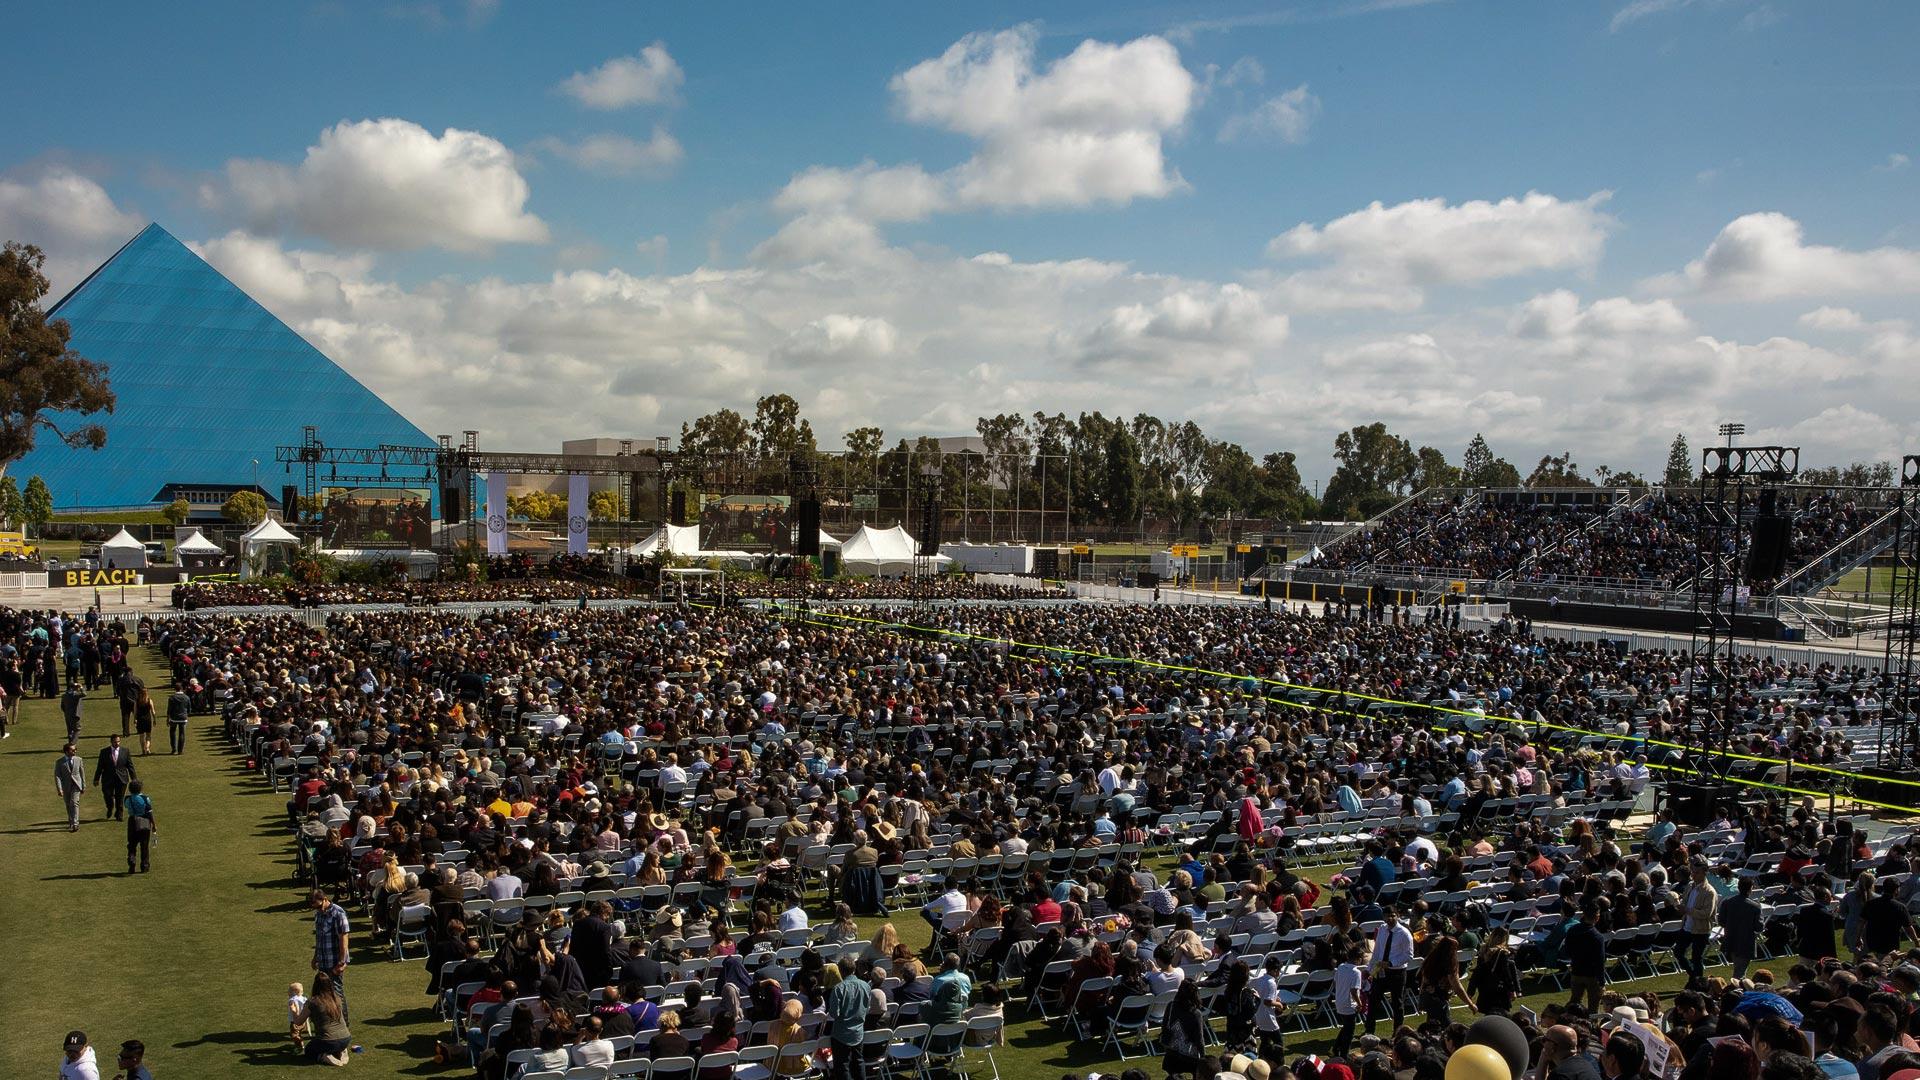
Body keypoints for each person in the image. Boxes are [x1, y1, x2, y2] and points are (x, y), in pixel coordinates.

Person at [1367, 905, 1414, 1034]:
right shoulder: (1382, 929)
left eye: (1393, 915)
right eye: (1388, 916)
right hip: (1381, 970)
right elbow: (1377, 951)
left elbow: (1409, 955)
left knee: (1397, 1004)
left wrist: (1391, 963)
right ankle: (1369, 1032)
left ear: (1397, 915)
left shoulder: (1404, 933)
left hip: (1397, 972)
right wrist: (1370, 969)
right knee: (1373, 1002)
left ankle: (1397, 1033)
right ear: (1384, 917)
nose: (1390, 918)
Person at [827, 958, 871, 1080]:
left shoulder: (839, 988)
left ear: (840, 971)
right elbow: (867, 1008)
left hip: (841, 1034)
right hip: (858, 1032)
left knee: (842, 1065)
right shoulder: (865, 986)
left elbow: (834, 1013)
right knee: (859, 1061)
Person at [298, 971, 353, 1066]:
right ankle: (341, 1051)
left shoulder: (313, 1002)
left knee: (309, 1050)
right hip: (346, 1038)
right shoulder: (337, 998)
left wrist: (294, 1011)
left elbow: (298, 1022)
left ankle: (324, 1056)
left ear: (315, 985)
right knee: (333, 1044)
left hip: (327, 1041)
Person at [310, 889, 351, 1012]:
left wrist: (342, 962)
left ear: (325, 899)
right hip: (323, 961)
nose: (319, 909)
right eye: (316, 908)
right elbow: (319, 938)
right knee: (325, 994)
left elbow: (344, 938)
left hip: (334, 962)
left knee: (337, 994)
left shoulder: (338, 913)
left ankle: (344, 1024)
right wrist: (315, 957)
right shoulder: (318, 915)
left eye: (319, 906)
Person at [1161, 980, 1208, 1080]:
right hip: (1189, 1058)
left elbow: (1165, 1027)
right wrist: (1203, 1058)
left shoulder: (1171, 1006)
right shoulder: (1196, 1014)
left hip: (1171, 1055)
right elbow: (1199, 1040)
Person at [1720, 876, 1764, 979]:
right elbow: (1759, 927)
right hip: (1745, 943)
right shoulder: (1755, 906)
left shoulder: (1727, 902)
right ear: (1751, 888)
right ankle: (1737, 992)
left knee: (1739, 970)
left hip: (1731, 940)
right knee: (1740, 973)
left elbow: (1721, 922)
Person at [123, 779, 156, 873]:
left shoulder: (127, 799)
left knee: (132, 844)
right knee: (144, 845)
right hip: (144, 821)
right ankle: (145, 866)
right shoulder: (145, 799)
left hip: (132, 821)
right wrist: (154, 824)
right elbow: (149, 812)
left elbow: (126, 806)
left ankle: (132, 860)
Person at [55, 742, 87, 832]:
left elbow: (82, 773)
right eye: (72, 750)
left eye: (75, 749)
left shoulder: (79, 759)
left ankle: (75, 823)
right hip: (66, 787)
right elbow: (57, 776)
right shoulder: (59, 762)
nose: (75, 751)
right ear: (66, 751)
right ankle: (71, 821)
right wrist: (59, 789)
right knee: (68, 804)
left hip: (76, 785)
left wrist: (83, 786)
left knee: (74, 803)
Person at [165, 683, 191, 754]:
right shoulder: (186, 697)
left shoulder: (172, 698)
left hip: (174, 717)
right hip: (183, 717)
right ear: (181, 688)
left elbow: (169, 709)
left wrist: (168, 718)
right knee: (182, 733)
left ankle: (173, 749)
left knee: (172, 732)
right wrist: (187, 714)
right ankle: (180, 750)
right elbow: (189, 708)